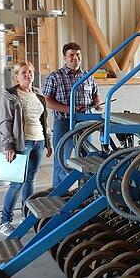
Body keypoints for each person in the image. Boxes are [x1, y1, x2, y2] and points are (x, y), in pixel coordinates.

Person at [0, 61, 53, 235]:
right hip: (23, 143)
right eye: (23, 72)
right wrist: (8, 145)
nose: (28, 75)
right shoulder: (10, 95)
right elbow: (5, 122)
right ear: (16, 76)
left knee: (30, 180)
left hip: (38, 141)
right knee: (16, 183)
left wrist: (48, 141)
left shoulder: (38, 94)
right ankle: (4, 222)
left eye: (30, 72)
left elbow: (43, 120)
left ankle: (26, 215)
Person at [42, 42, 102, 187]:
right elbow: (47, 101)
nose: (75, 58)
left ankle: (85, 191)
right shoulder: (54, 77)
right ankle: (60, 192)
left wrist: (98, 103)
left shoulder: (88, 76)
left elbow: (95, 94)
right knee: (62, 158)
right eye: (72, 55)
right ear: (65, 57)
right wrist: (68, 109)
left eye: (78, 55)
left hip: (86, 123)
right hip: (64, 122)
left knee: (86, 159)